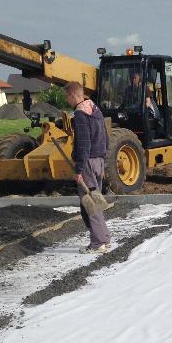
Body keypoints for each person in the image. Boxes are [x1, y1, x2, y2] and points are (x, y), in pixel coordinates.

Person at [64, 81, 112, 253]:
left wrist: (79, 170)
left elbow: (83, 144)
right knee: (96, 201)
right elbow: (106, 138)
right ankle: (104, 238)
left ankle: (98, 243)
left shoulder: (80, 115)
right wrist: (104, 162)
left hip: (87, 164)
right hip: (98, 161)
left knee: (89, 203)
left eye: (67, 97)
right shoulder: (95, 110)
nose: (67, 101)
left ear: (73, 95)